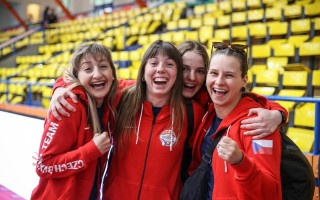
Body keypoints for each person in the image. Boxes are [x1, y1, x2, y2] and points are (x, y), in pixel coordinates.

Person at [103, 40, 205, 199]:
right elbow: (87, 83)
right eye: (154, 63)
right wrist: (60, 87)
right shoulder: (121, 99)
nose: (161, 69)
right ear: (143, 72)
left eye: (169, 64)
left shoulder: (193, 113)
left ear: (176, 75)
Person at [190, 42, 282, 199]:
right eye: (213, 73)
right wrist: (281, 112)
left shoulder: (258, 126)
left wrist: (241, 162)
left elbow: (270, 192)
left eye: (229, 75)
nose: (219, 81)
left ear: (244, 80)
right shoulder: (207, 113)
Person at [31, 43, 118, 199]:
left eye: (103, 66)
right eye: (88, 69)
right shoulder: (69, 106)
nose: (97, 74)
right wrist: (91, 151)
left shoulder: (107, 105)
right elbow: (43, 165)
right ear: (76, 76)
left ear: (113, 73)